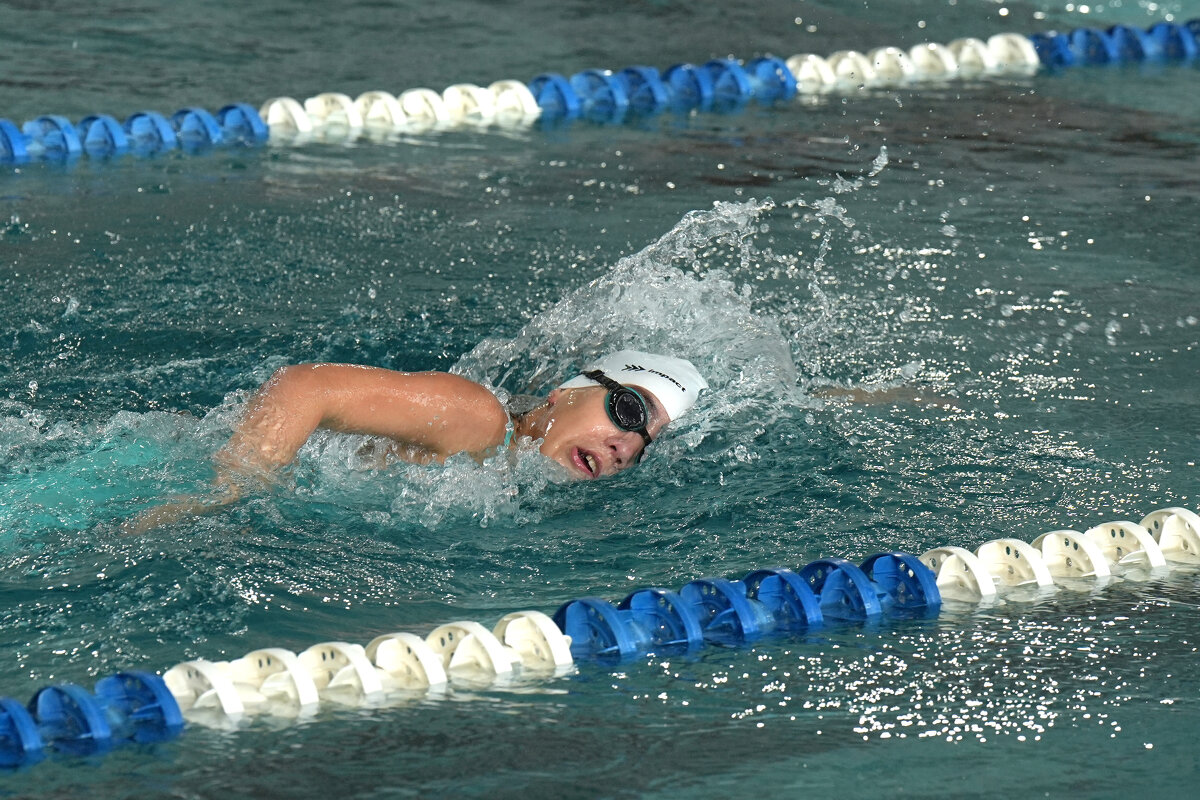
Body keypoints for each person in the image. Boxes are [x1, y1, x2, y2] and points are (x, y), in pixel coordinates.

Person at [126, 350, 708, 531]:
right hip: (148, 474)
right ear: (561, 394)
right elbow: (309, 384)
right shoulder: (478, 420)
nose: (625, 446)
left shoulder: (510, 475)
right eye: (628, 410)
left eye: (644, 444)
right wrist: (238, 483)